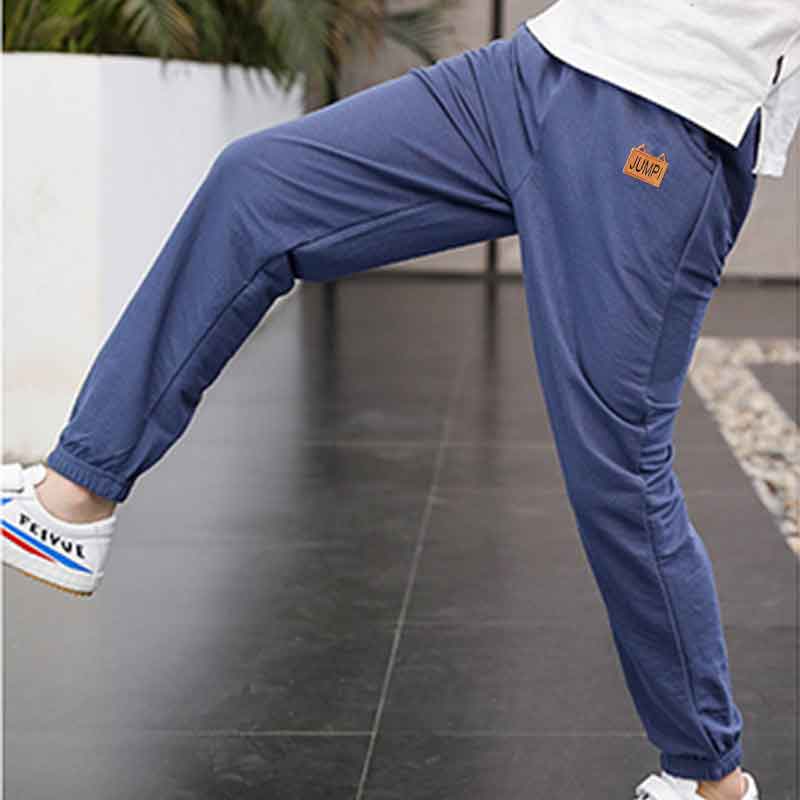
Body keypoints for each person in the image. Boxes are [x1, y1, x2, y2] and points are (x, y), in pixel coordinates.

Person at [3, 3, 799, 798]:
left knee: (615, 469)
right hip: (543, 63)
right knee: (257, 188)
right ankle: (77, 497)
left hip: (660, 109)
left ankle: (709, 778)